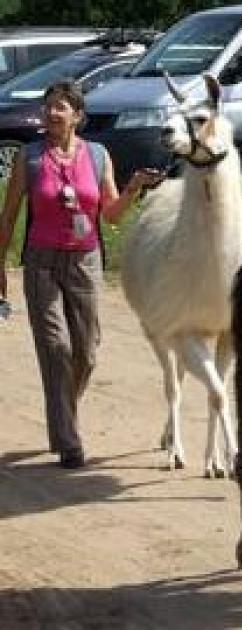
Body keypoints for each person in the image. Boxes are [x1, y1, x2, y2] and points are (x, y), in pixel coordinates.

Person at [0, 80, 162, 469]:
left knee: (86, 353)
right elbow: (8, 216)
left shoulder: (98, 155)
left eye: (60, 107)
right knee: (56, 348)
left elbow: (110, 214)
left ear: (77, 115)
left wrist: (134, 187)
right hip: (41, 263)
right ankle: (70, 441)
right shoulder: (31, 157)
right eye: (48, 106)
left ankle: (63, 414)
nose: (52, 113)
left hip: (86, 261)